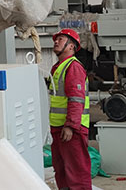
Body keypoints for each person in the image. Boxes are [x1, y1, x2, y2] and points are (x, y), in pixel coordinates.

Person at [48, 28, 91, 190]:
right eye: (56, 39)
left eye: (61, 39)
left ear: (71, 46)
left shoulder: (73, 67)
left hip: (71, 130)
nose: (56, 41)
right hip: (58, 129)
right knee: (61, 172)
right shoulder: (58, 67)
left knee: (77, 173)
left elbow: (76, 99)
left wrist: (71, 126)